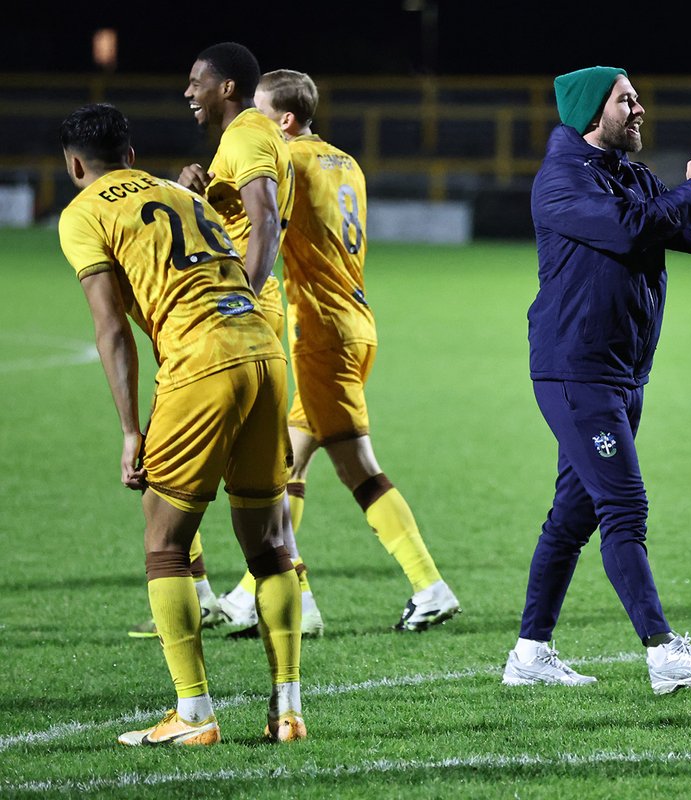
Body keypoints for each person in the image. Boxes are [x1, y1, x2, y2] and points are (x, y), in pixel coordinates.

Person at [58, 103, 305, 744]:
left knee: (167, 543)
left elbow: (113, 330)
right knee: (269, 541)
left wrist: (130, 430)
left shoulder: (84, 212)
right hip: (265, 351)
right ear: (132, 156)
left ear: (75, 164)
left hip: (202, 362)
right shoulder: (179, 192)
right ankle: (288, 712)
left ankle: (194, 715)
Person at [501, 66, 691, 694]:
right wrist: (689, 184)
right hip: (577, 371)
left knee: (572, 518)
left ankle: (529, 653)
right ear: (590, 113)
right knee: (624, 507)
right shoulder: (561, 180)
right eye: (625, 99)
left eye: (636, 98)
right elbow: (632, 229)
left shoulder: (627, 174)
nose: (639, 109)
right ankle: (663, 652)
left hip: (621, 373)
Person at [253, 68, 461, 631]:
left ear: (286, 120)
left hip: (321, 335)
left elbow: (262, 224)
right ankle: (268, 588)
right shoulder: (347, 162)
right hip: (356, 325)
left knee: (358, 470)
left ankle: (428, 585)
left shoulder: (288, 162)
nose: (254, 124)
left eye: (259, 113)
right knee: (285, 465)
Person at [128, 42, 322, 638]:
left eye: (196, 82)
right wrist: (196, 193)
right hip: (252, 333)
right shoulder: (245, 140)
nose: (189, 92)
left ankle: (199, 607)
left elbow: (262, 218)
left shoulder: (245, 135)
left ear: (228, 88)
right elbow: (241, 215)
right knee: (259, 504)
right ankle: (280, 612)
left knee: (161, 481)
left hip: (227, 332)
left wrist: (242, 292)